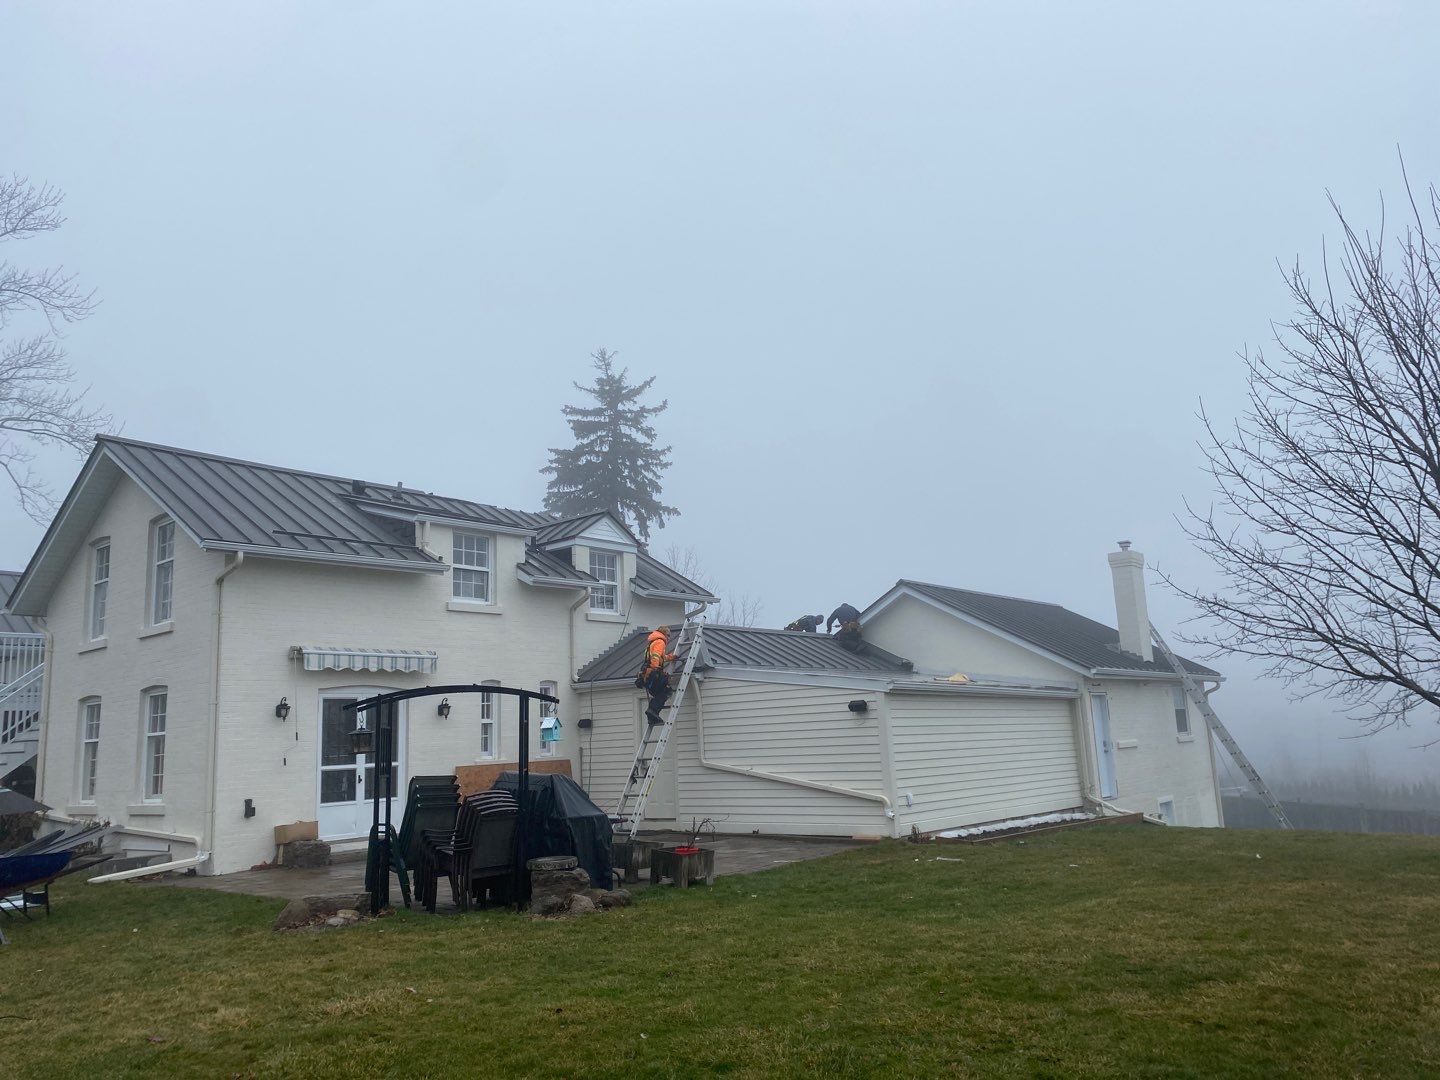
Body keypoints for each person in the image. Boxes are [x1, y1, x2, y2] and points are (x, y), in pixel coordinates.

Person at [637, 625, 677, 723]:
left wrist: (671, 657)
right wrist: (656, 669)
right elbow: (656, 656)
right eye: (668, 635)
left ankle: (652, 717)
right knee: (666, 691)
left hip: (647, 673)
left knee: (658, 693)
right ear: (664, 634)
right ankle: (652, 711)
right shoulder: (660, 642)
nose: (668, 638)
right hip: (653, 672)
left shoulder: (653, 642)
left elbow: (661, 656)